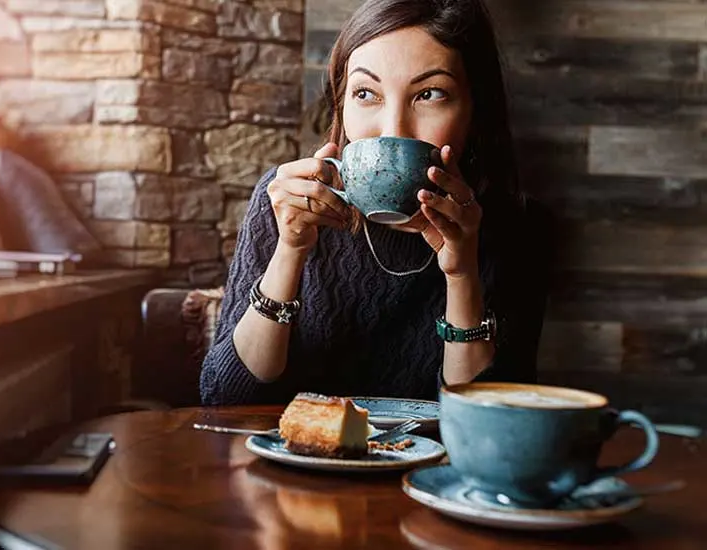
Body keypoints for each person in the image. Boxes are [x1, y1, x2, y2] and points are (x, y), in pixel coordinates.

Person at [199, 0, 555, 406]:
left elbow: (494, 429)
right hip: (293, 461)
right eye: (366, 93)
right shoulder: (285, 202)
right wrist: (290, 251)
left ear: (475, 110)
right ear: (342, 102)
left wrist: (462, 276)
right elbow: (224, 399)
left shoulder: (519, 228)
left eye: (429, 94)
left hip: (428, 470)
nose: (392, 130)